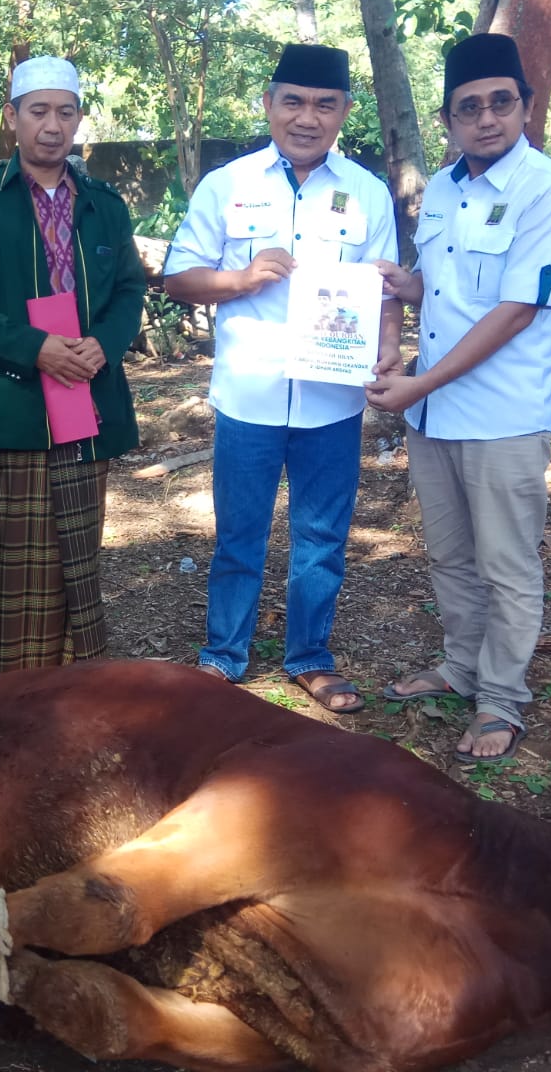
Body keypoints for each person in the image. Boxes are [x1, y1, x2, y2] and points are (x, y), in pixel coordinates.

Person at [365, 34, 551, 764]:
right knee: (451, 555)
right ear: (449, 117)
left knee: (507, 563)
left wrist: (419, 382)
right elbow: (449, 287)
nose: (487, 118)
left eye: (501, 103)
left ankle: (502, 699)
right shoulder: (448, 188)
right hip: (437, 412)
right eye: (470, 107)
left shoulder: (547, 190)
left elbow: (517, 308)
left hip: (499, 414)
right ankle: (461, 666)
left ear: (524, 106)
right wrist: (404, 288)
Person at [165, 43, 401, 710]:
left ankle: (310, 657)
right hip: (248, 393)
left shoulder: (367, 194)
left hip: (332, 399)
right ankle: (222, 657)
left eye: (325, 104)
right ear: (268, 105)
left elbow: (384, 289)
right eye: (293, 101)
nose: (307, 117)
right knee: (240, 533)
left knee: (322, 536)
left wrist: (389, 354)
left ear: (344, 112)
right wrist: (241, 279)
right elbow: (179, 276)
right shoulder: (228, 185)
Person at [0, 56, 146, 674]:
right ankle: (20, 694)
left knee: (80, 552)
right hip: (14, 402)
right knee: (22, 557)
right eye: (38, 112)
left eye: (65, 112)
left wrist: (103, 344)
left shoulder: (105, 204)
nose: (52, 126)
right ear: (12, 118)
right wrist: (35, 348)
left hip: (88, 394)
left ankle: (81, 687)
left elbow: (130, 288)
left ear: (79, 119)